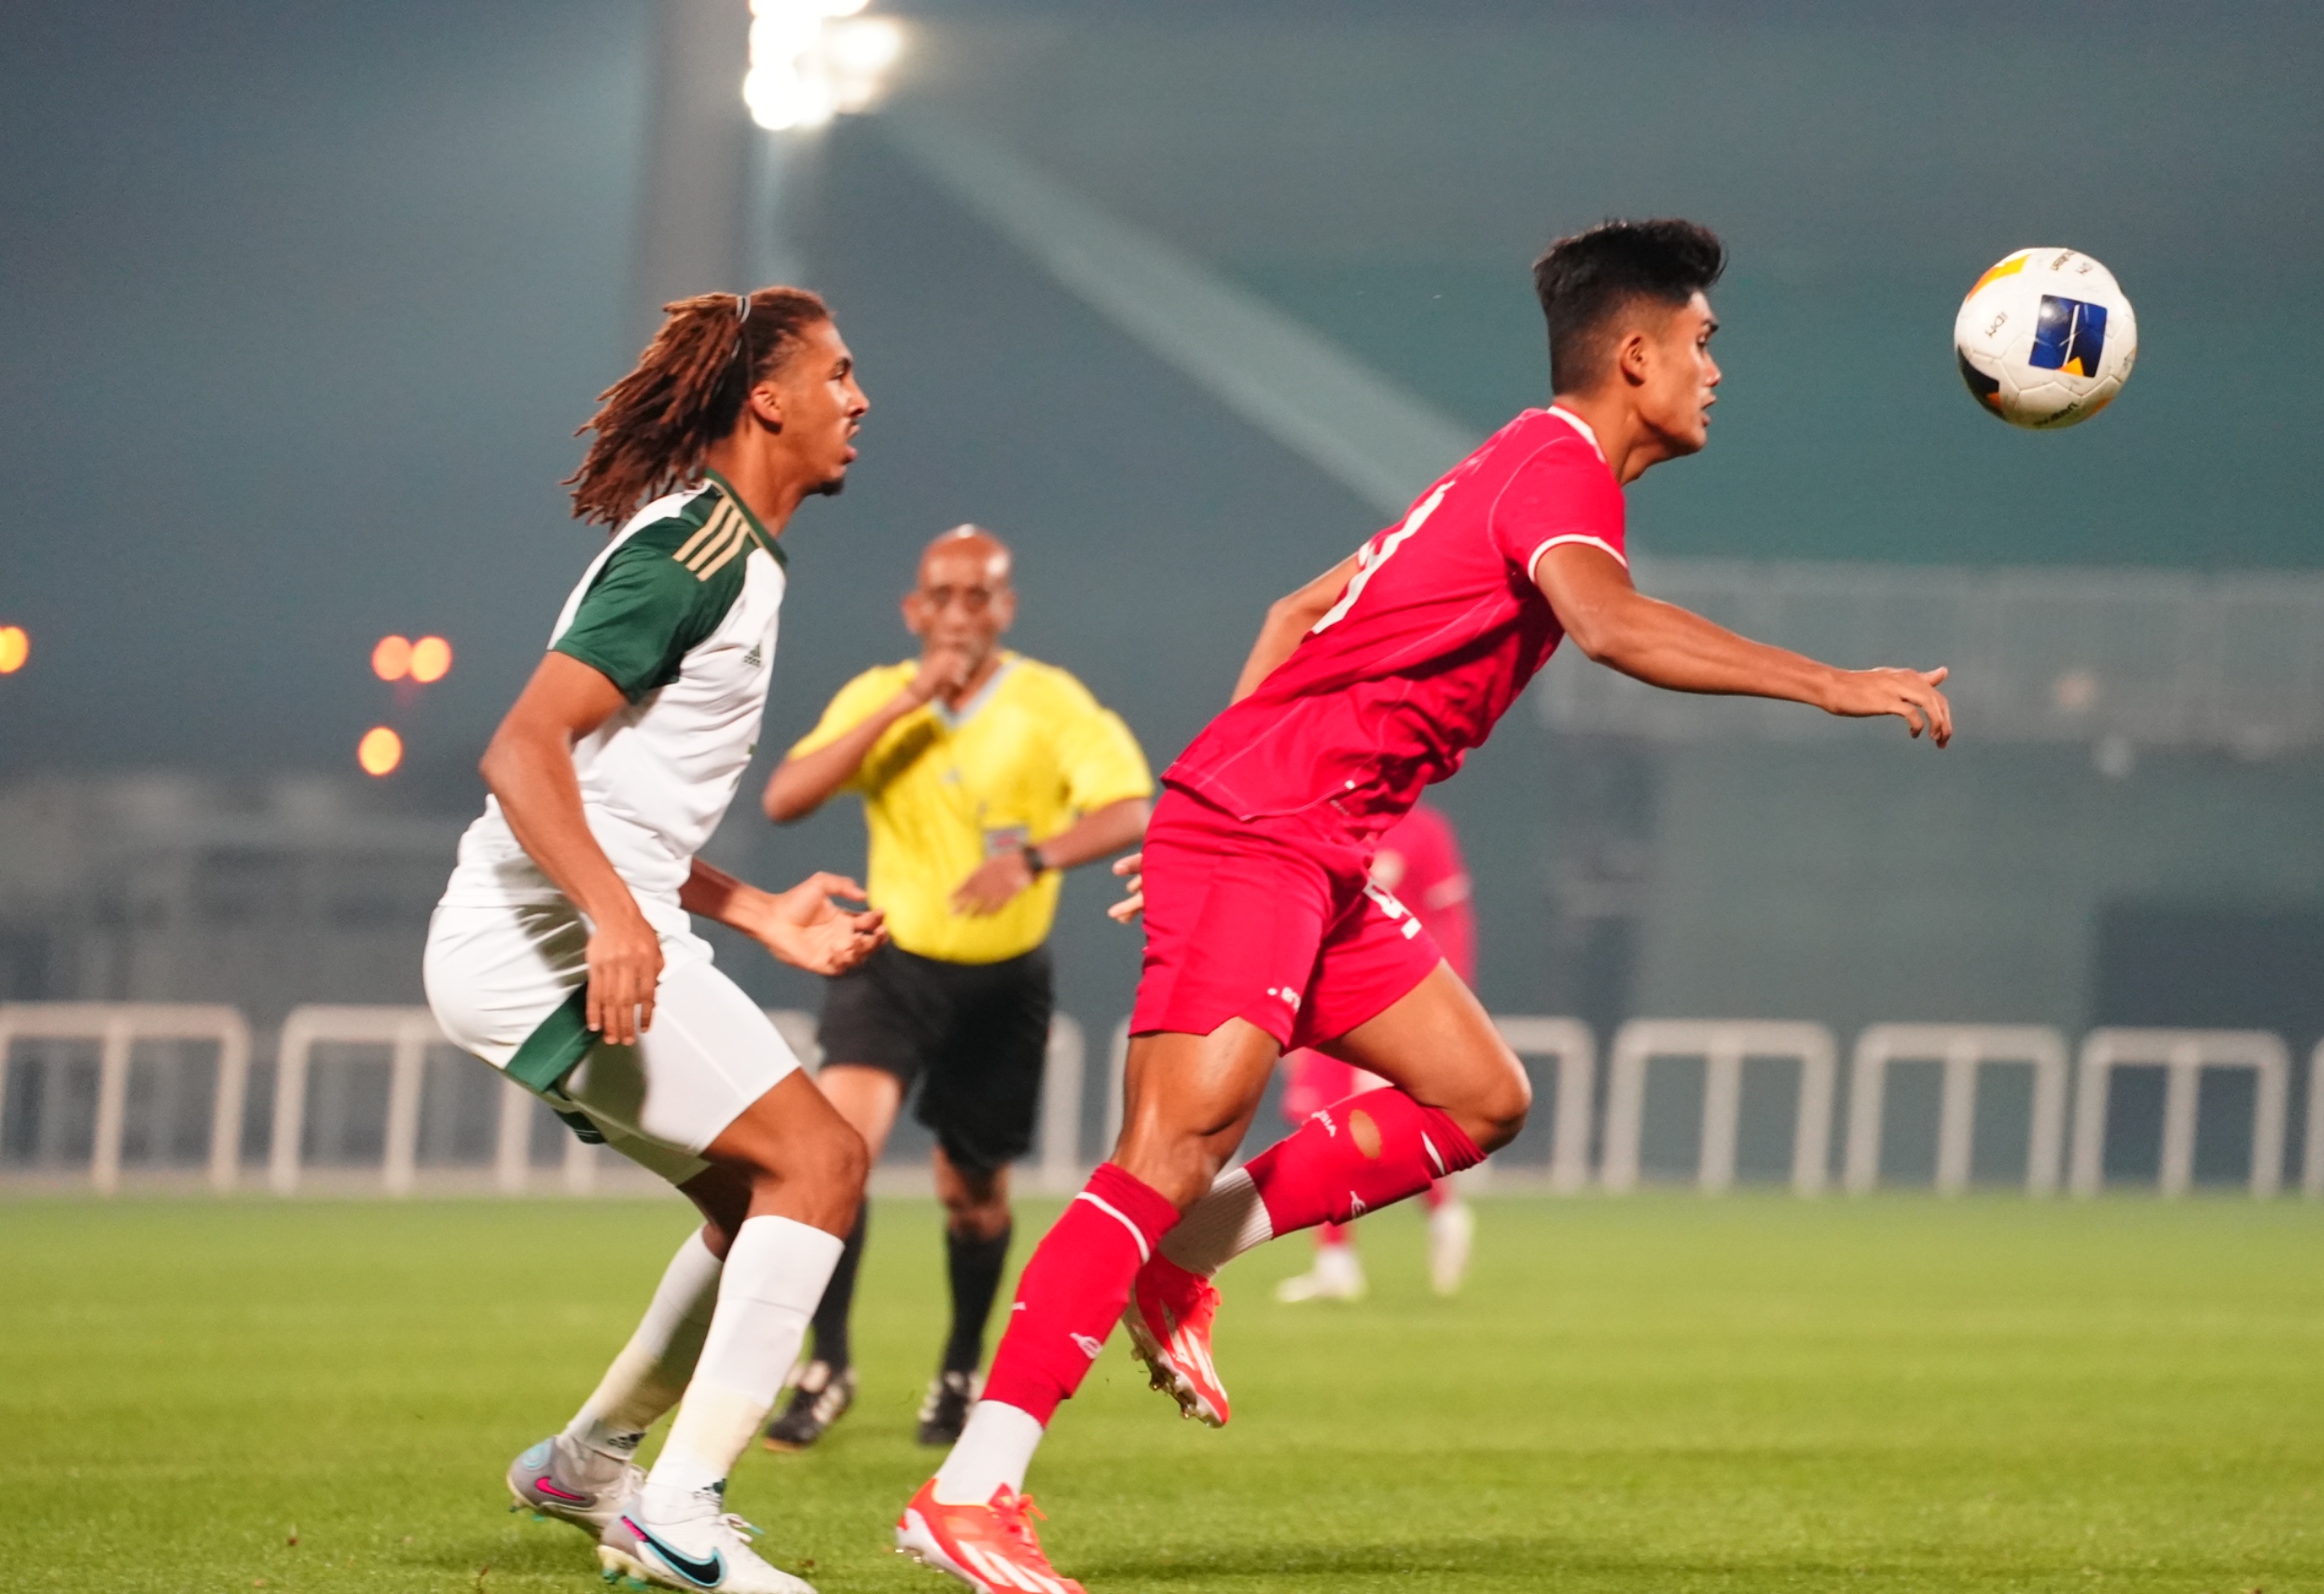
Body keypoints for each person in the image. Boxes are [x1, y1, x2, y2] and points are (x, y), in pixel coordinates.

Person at [892, 218, 1955, 1594]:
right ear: (1633, 356)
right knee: (1165, 1147)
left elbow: (1296, 612)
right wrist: (1833, 683)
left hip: (1303, 842)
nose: (1714, 369)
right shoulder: (1560, 470)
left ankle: (1184, 1260)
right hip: (1272, 835)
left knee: (1481, 1096)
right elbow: (1614, 628)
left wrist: (1216, 794)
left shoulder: (1512, 465)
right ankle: (970, 1493)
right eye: (1702, 343)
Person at [422, 286, 885, 1594]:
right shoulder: (698, 551)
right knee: (823, 1163)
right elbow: (523, 748)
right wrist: (621, 920)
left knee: (756, 1203)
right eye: (839, 374)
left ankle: (592, 1464)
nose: (859, 401)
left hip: (561, 927)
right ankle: (679, 1510)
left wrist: (754, 910)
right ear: (768, 398)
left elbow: (619, 799)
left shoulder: (736, 550)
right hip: (541, 938)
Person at [756, 526, 1154, 1451]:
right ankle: (828, 1363)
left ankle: (959, 1364)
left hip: (1001, 983)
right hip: (888, 964)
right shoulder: (880, 696)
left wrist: (1037, 859)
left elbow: (1132, 806)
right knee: (836, 1156)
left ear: (1005, 608)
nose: (961, 612)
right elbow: (785, 796)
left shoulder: (1049, 702)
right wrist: (907, 696)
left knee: (969, 1190)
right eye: (944, 594)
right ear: (915, 608)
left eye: (981, 595)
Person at [1271, 798, 1476, 1304]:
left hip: (1394, 1000)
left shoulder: (1424, 829)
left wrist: (1449, 1005)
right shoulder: (1323, 824)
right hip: (1324, 992)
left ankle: (1442, 1209)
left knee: (1374, 1132)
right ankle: (1336, 1261)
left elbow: (1452, 917)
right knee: (1318, 1123)